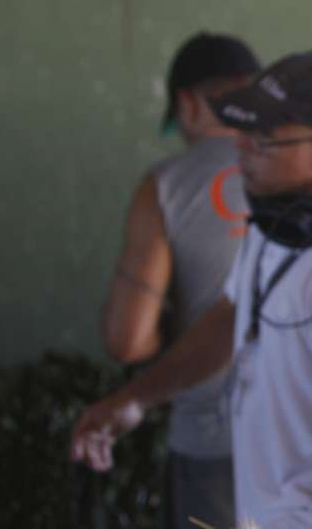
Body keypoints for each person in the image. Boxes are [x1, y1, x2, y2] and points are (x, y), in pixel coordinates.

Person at [73, 51, 312, 528]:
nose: (239, 148)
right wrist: (137, 398)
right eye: (241, 131)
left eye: (262, 140)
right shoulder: (281, 212)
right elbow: (231, 315)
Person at [101, 31, 260, 528]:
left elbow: (128, 341)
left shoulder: (166, 186)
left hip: (211, 440)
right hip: (308, 441)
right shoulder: (302, 176)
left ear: (188, 104)